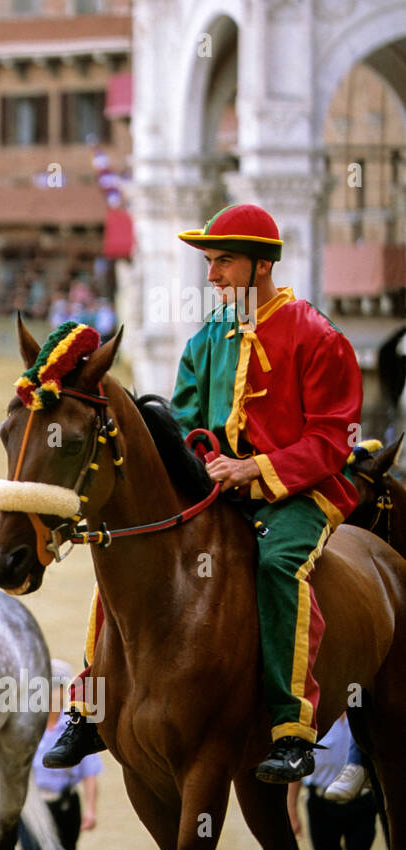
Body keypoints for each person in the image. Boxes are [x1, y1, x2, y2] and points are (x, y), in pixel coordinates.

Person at [44, 203, 362, 784]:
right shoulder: (207, 337)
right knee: (126, 551)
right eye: (209, 262)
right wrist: (194, 459)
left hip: (301, 493)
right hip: (221, 487)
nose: (211, 276)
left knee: (278, 563)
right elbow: (187, 420)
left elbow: (331, 440)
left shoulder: (319, 337)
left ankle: (293, 729)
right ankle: (91, 705)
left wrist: (253, 468)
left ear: (261, 266)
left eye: (223, 262)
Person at [0, 659, 100, 850]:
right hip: (33, 805)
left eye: (57, 688)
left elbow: (90, 772)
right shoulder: (25, 728)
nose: (51, 696)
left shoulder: (76, 728)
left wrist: (91, 809)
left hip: (66, 804)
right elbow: (10, 776)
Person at [287, 714, 376, 850]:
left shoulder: (364, 713)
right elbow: (297, 766)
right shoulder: (315, 715)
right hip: (322, 806)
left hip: (361, 804)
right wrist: (292, 811)